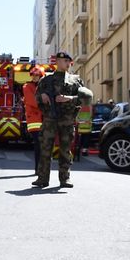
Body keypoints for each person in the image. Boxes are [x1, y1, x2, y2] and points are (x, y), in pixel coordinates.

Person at [33, 52, 93, 188]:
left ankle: (65, 178)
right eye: (65, 61)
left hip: (67, 119)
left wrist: (69, 98)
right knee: (45, 149)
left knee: (65, 149)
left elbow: (85, 98)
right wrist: (42, 96)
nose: (68, 63)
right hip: (49, 119)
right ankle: (42, 178)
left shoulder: (75, 80)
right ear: (58, 62)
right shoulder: (46, 80)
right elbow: (35, 97)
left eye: (69, 61)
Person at [23, 67, 45, 174]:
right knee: (39, 145)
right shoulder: (27, 87)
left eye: (37, 75)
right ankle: (38, 169)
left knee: (43, 145)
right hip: (34, 120)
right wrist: (45, 104)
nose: (35, 77)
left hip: (44, 119)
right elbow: (33, 101)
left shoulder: (44, 86)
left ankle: (42, 168)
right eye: (33, 75)